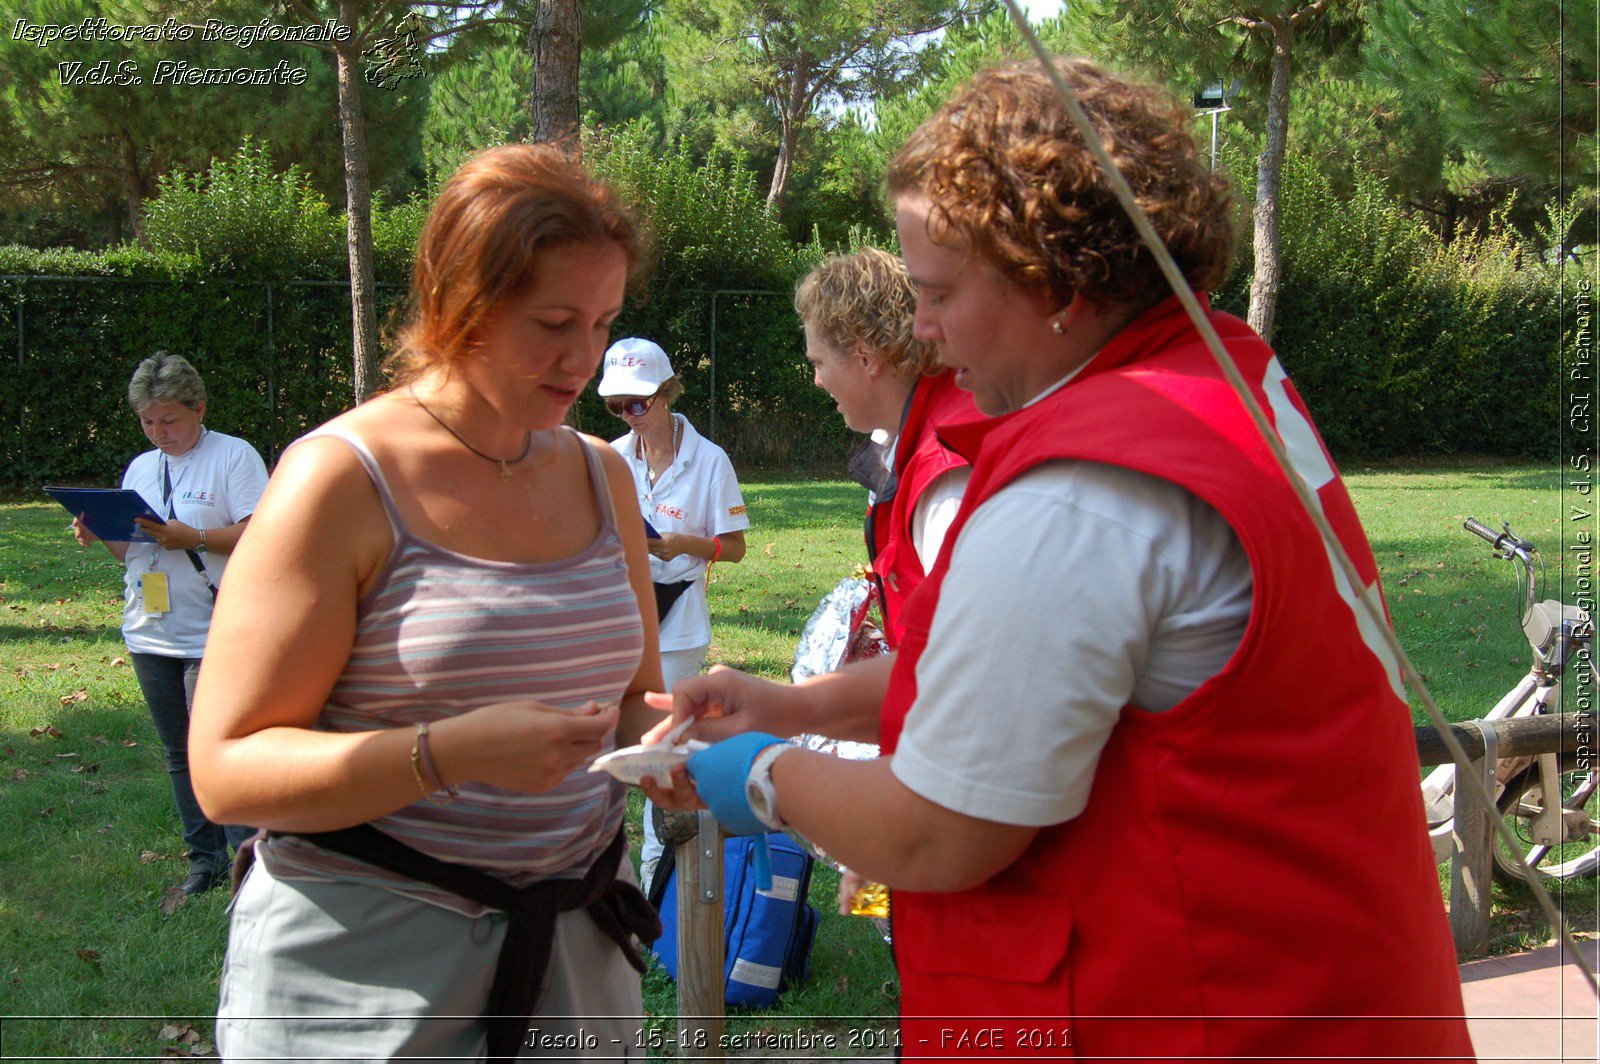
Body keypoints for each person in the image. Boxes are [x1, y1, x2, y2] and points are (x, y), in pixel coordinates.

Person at [643, 58, 1475, 1060]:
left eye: (939, 290)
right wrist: (798, 705)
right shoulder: (1216, 383)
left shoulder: (1087, 487)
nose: (921, 329)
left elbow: (936, 831)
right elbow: (1032, 674)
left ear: (1060, 284)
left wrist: (753, 772)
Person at [189, 144, 689, 1059]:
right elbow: (227, 771)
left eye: (606, 321)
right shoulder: (338, 480)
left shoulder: (602, 475)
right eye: (554, 322)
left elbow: (631, 700)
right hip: (365, 977)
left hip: (573, 963)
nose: (586, 358)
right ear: (461, 300)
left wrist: (670, 742)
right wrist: (447, 754)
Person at [70, 352, 267, 899]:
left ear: (198, 408)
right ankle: (203, 863)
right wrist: (99, 534)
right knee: (179, 753)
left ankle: (249, 867)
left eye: (170, 420)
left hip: (216, 629)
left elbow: (264, 531)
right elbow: (130, 553)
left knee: (217, 749)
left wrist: (196, 538)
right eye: (147, 422)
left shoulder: (234, 457)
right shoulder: (140, 467)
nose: (159, 433)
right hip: (150, 630)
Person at [597, 336, 749, 892]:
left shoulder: (709, 460)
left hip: (678, 615)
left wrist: (679, 544)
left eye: (638, 403)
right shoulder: (610, 458)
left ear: (666, 394)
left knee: (663, 748)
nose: (629, 417)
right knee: (613, 744)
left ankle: (660, 885)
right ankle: (610, 875)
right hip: (619, 612)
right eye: (617, 406)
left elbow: (733, 547)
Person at [794, 246, 975, 645]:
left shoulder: (946, 479)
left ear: (865, 357)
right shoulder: (903, 445)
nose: (818, 382)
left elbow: (970, 659)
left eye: (819, 363)